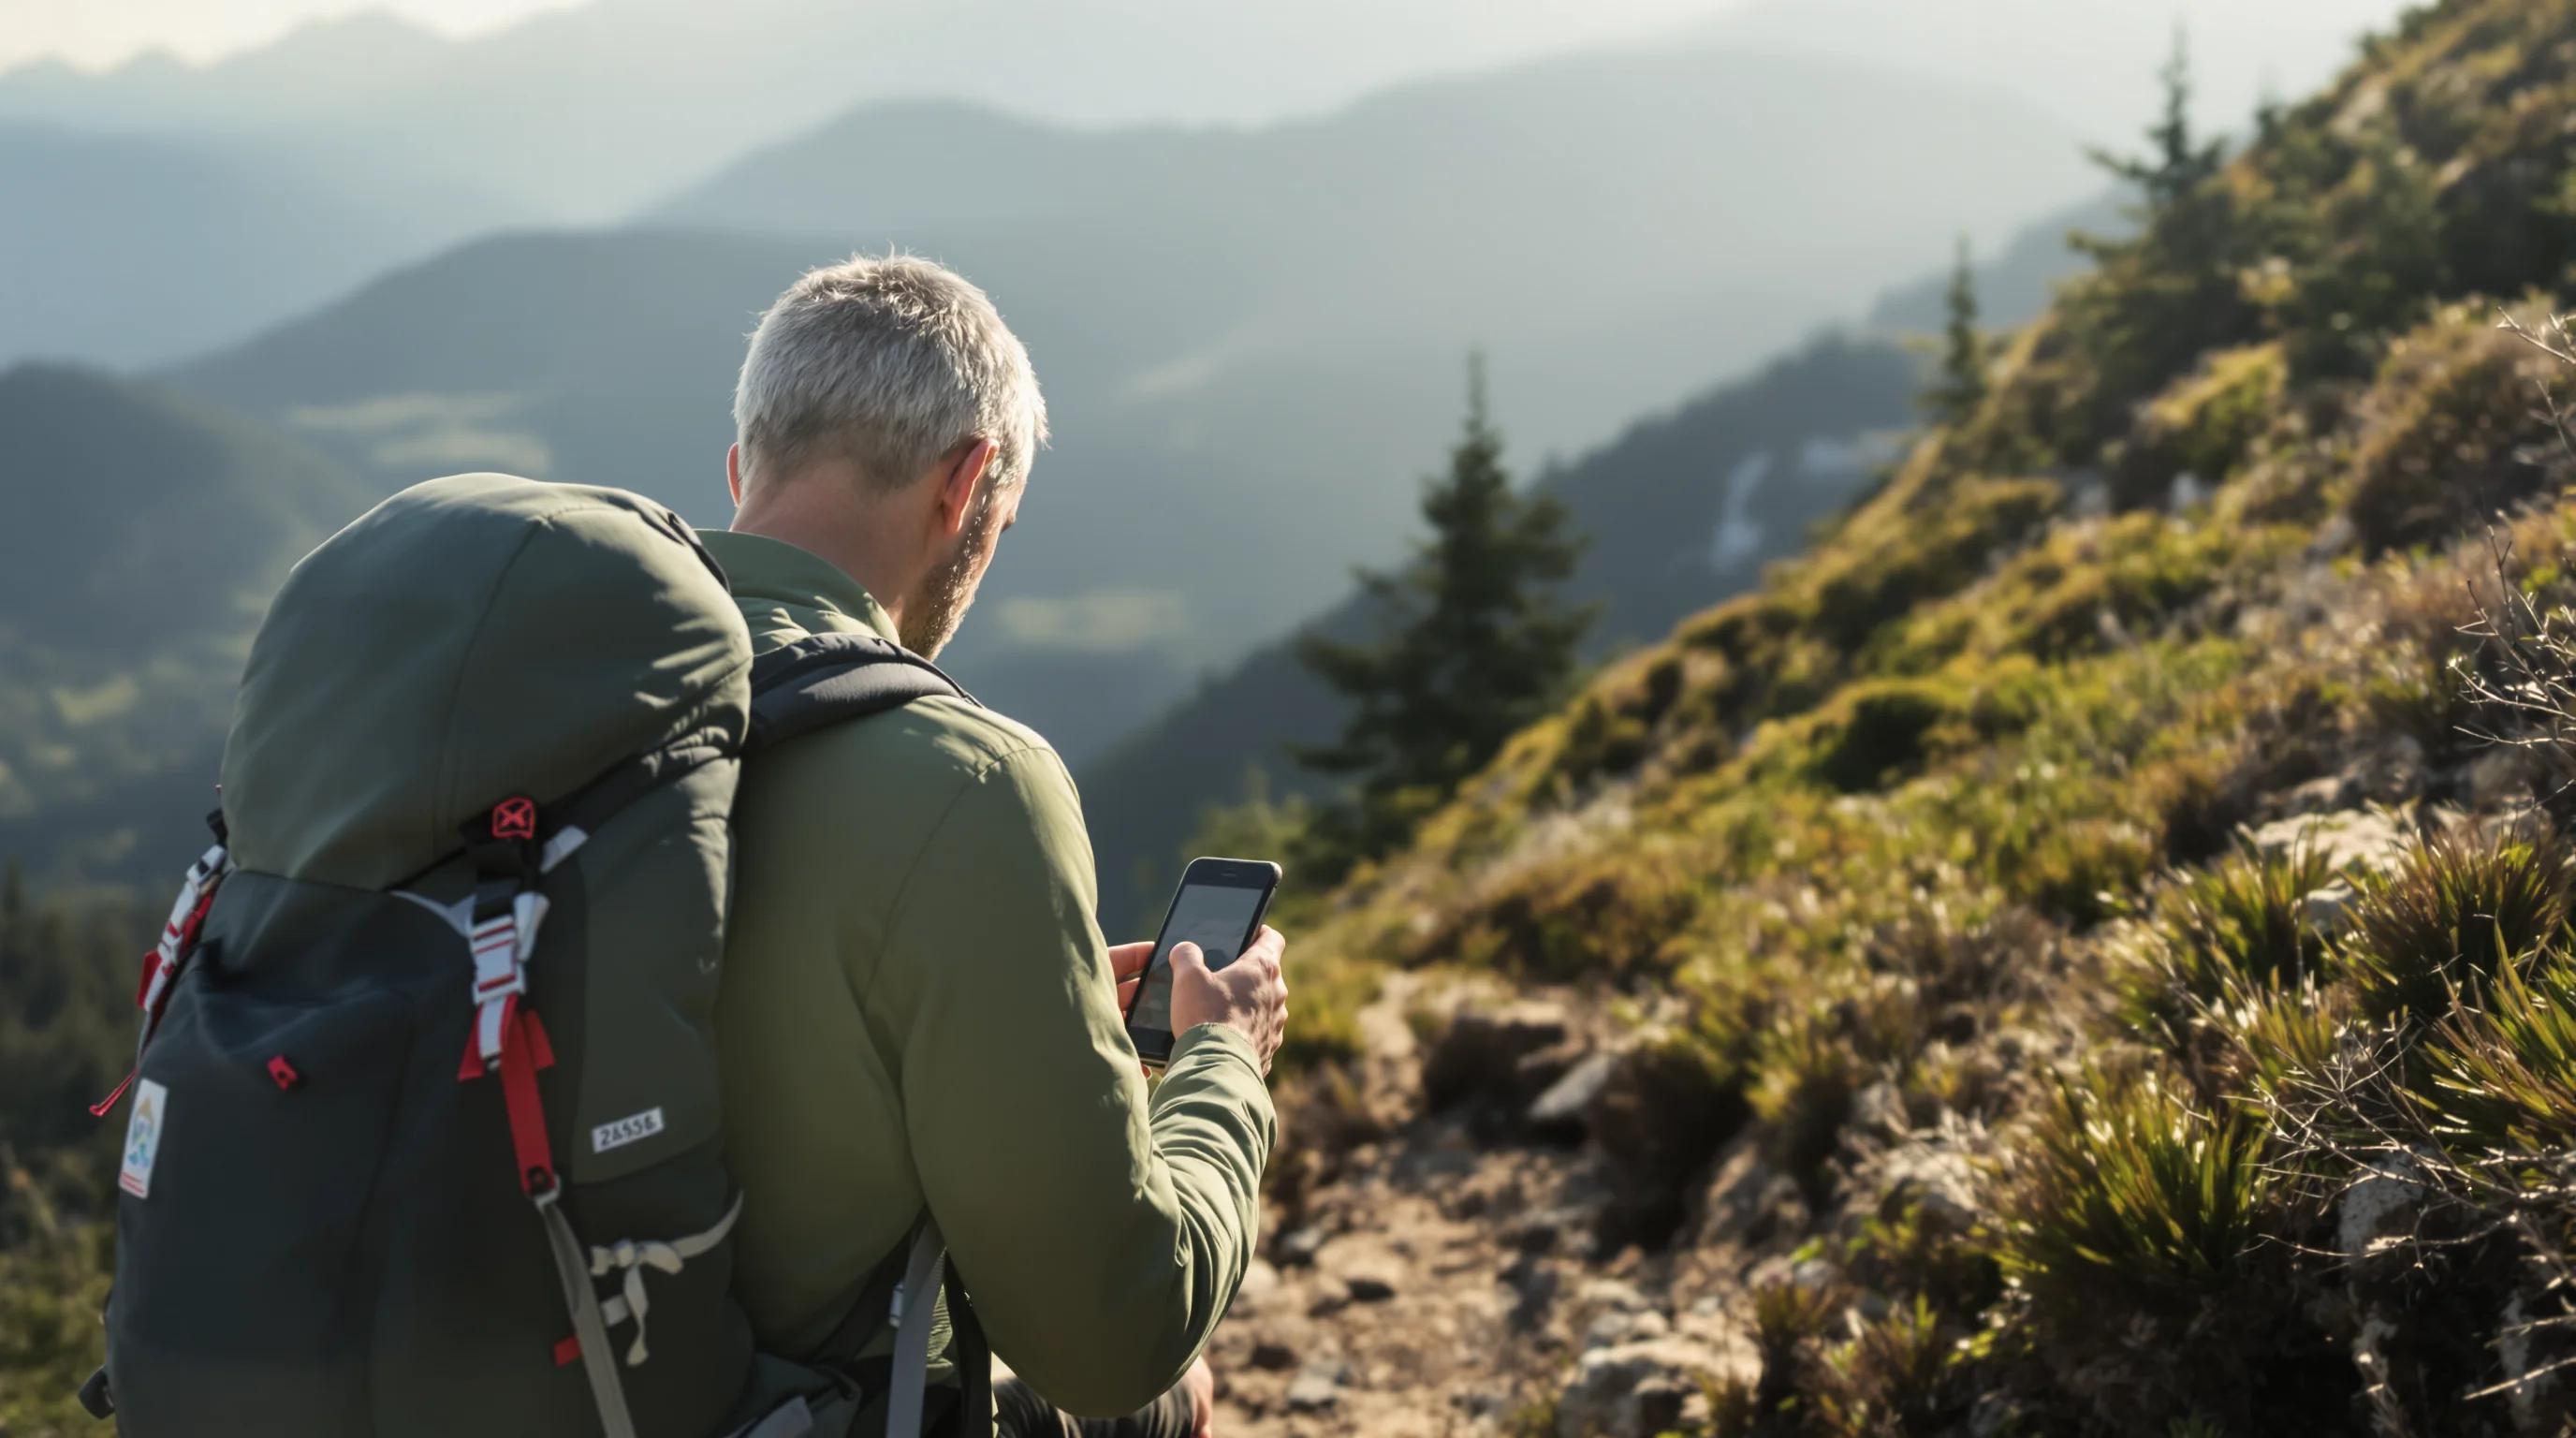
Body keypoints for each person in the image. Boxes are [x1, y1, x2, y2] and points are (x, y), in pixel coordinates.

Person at [702, 252, 1289, 1438]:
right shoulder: (965, 783)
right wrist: (1224, 1058)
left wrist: (1029, 1016)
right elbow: (1110, 1336)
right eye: (1002, 518)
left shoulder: (575, 711)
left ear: (739, 471)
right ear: (967, 484)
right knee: (1167, 1398)